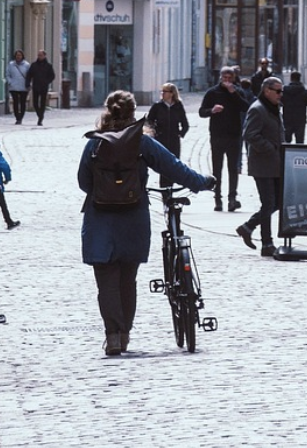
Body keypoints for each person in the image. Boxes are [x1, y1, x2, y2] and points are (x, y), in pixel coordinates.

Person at [79, 90, 214, 356]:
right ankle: (125, 334)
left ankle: (112, 336)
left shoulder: (94, 143)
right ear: (133, 113)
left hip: (100, 220)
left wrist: (104, 190)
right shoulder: (142, 142)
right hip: (133, 218)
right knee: (127, 279)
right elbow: (174, 167)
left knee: (106, 281)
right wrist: (201, 182)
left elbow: (84, 182)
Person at [236, 77, 285, 257]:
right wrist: (270, 148)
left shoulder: (272, 108)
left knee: (277, 201)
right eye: (277, 91)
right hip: (263, 165)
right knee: (268, 202)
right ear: (267, 91)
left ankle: (248, 227)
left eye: (281, 91)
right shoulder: (258, 109)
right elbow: (249, 134)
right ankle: (267, 243)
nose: (280, 94)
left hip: (275, 164)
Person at [198, 67, 250, 211]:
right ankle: (217, 199)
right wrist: (211, 110)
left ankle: (232, 198)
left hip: (234, 135)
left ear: (233, 78)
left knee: (233, 168)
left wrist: (234, 93)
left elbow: (245, 107)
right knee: (217, 168)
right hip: (217, 135)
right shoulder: (212, 92)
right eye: (224, 78)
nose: (227, 81)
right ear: (220, 78)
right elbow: (202, 112)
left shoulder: (238, 91)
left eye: (229, 78)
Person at [146, 83, 190, 160]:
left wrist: (181, 133)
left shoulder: (178, 106)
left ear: (172, 93)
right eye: (162, 91)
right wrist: (154, 131)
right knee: (161, 161)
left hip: (174, 140)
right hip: (160, 138)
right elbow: (149, 120)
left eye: (165, 91)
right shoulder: (157, 106)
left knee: (174, 161)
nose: (162, 93)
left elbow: (185, 123)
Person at [279, 70, 307, 144]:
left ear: (291, 78)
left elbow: (277, 103)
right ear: (299, 79)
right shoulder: (305, 93)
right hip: (300, 120)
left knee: (286, 142)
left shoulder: (284, 92)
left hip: (287, 119)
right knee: (300, 143)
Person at [27, 49, 56, 125]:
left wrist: (47, 81)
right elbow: (29, 75)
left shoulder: (48, 66)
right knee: (35, 103)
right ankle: (40, 115)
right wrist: (28, 83)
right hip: (36, 86)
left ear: (44, 56)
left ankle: (40, 119)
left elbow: (52, 76)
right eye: (38, 55)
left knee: (43, 103)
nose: (39, 57)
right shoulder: (34, 65)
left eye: (41, 55)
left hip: (44, 87)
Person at [5, 50, 30, 124]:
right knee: (15, 102)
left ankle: (21, 117)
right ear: (15, 56)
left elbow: (29, 76)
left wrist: (29, 84)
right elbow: (7, 74)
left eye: (20, 55)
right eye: (17, 55)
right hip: (14, 87)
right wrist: (10, 82)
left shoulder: (27, 65)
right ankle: (17, 117)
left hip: (23, 87)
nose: (18, 56)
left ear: (22, 56)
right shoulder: (11, 64)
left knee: (22, 103)